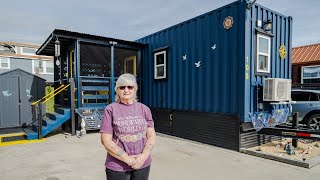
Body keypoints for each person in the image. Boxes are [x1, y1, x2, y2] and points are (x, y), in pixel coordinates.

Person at [100, 73, 156, 180]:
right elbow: (105, 141)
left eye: (130, 87)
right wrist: (128, 159)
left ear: (135, 89)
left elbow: (151, 135)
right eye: (122, 87)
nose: (126, 90)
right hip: (117, 167)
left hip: (142, 164)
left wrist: (143, 157)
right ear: (117, 90)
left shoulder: (144, 109)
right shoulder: (110, 110)